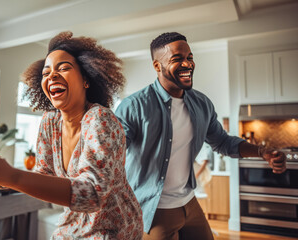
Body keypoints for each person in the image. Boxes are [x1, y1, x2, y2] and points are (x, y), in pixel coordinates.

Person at [114, 32, 286, 240]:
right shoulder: (133, 106)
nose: (187, 64)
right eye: (177, 59)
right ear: (157, 66)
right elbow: (113, 154)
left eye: (190, 58)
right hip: (152, 208)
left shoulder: (201, 104)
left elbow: (222, 142)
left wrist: (262, 152)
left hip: (189, 203)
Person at [0, 32, 143, 240]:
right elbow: (44, 174)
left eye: (63, 68)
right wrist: (5, 178)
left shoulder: (100, 119)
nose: (52, 75)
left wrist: (14, 176)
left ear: (86, 80)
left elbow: (91, 195)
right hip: (74, 222)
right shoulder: (50, 121)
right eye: (46, 72)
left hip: (113, 227)